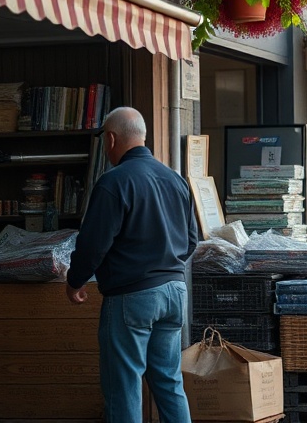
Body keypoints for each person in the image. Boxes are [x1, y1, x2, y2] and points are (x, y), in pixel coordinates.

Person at [66, 107, 198, 422]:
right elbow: (192, 240)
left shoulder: (114, 182)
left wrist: (75, 280)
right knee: (169, 382)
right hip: (175, 293)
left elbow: (93, 244)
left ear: (110, 139)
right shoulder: (175, 180)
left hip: (132, 296)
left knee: (123, 386)